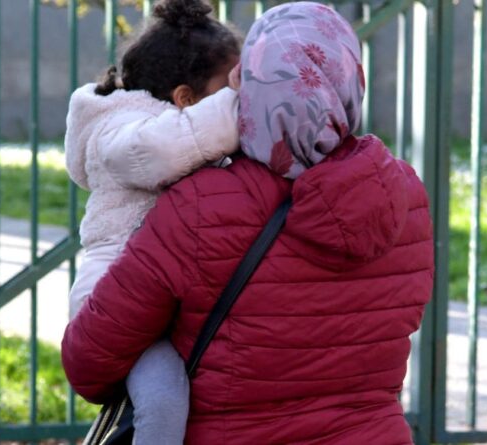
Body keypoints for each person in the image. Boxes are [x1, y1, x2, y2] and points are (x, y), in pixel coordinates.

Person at [62, 2, 433, 443]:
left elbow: (91, 358)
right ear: (351, 77)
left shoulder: (200, 205)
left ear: (251, 86)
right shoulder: (404, 196)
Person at [63, 0, 240, 443]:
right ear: (186, 99)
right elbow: (155, 153)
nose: (240, 99)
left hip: (160, 298)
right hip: (112, 299)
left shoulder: (181, 130)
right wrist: (237, 112)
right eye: (231, 89)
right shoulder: (123, 130)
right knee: (164, 399)